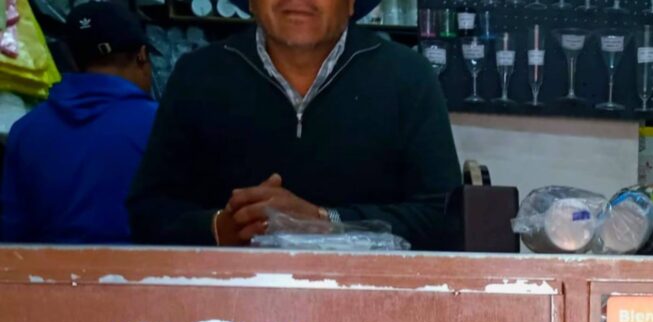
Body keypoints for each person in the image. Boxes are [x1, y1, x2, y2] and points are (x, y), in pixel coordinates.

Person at [128, 0, 461, 250]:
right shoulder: (198, 75)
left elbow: (445, 217)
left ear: (351, 4)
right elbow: (148, 212)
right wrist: (220, 227)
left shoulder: (408, 78)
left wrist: (325, 223)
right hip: (229, 309)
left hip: (370, 306)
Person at [1, 2, 156, 244]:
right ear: (142, 55)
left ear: (73, 61)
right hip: (144, 268)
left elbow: (11, 234)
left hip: (49, 267)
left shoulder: (25, 131)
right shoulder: (160, 125)